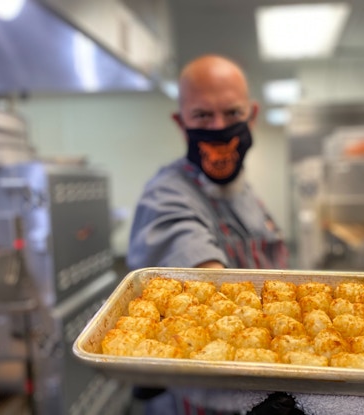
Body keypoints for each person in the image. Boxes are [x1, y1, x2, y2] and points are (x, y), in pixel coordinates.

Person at [126, 54, 299, 414]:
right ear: (181, 122)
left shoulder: (244, 192)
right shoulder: (167, 195)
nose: (219, 127)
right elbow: (208, 288)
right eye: (203, 115)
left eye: (232, 114)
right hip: (200, 401)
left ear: (252, 116)